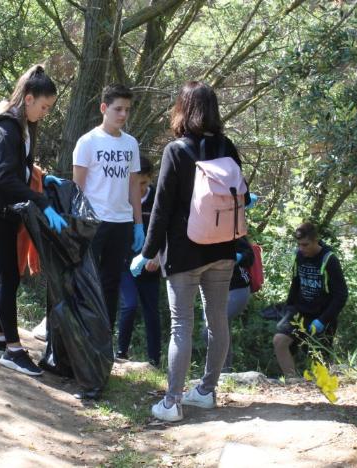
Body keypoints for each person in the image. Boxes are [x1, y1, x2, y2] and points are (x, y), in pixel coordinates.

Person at [129, 81, 252, 422]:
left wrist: (146, 252)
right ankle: (207, 391)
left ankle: (171, 403)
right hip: (224, 249)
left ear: (182, 109)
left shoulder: (177, 151)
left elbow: (162, 208)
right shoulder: (227, 146)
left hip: (184, 253)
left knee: (181, 326)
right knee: (217, 322)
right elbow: (242, 193)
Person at [0, 65, 65, 376]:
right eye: (44, 107)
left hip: (6, 209)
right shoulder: (8, 128)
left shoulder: (22, 125)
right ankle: (14, 350)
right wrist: (41, 201)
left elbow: (19, 168)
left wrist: (40, 177)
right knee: (9, 277)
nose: (45, 113)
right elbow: (5, 177)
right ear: (28, 99)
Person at [70, 84, 144, 334]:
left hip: (121, 222)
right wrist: (77, 223)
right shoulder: (87, 142)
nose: (123, 115)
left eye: (127, 110)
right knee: (87, 281)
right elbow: (77, 187)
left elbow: (134, 183)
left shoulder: (131, 144)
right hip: (94, 221)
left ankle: (103, 338)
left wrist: (138, 223)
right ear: (104, 108)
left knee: (111, 283)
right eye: (118, 109)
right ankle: (80, 334)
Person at [273, 222, 348, 378]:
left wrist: (323, 320)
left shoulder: (329, 259)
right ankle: (292, 381)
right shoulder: (299, 255)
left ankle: (321, 389)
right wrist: (288, 308)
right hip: (300, 312)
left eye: (305, 245)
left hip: (322, 315)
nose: (302, 248)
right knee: (279, 341)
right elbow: (296, 283)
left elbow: (341, 295)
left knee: (319, 361)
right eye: (299, 244)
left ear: (316, 240)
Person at [115, 156, 161, 366]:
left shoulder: (158, 199)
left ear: (150, 179)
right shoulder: (121, 197)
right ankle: (120, 352)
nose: (140, 188)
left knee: (152, 311)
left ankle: (154, 360)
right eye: (136, 183)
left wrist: (158, 256)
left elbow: (166, 232)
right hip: (124, 264)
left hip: (150, 266)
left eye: (144, 183)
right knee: (129, 305)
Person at [201, 236, 255, 373]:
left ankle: (218, 372)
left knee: (212, 329)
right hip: (213, 290)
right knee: (220, 329)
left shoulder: (232, 231)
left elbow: (250, 256)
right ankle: (225, 372)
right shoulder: (200, 230)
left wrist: (237, 257)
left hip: (237, 289)